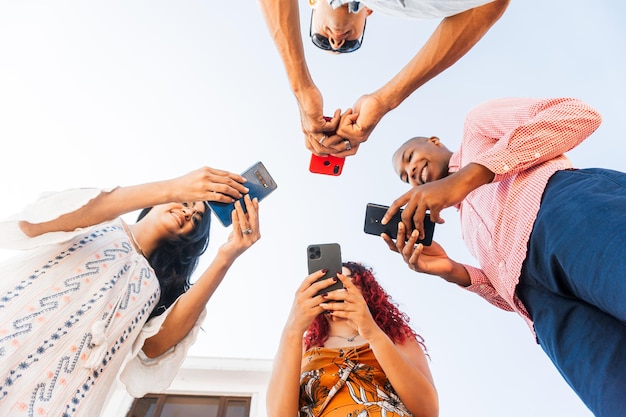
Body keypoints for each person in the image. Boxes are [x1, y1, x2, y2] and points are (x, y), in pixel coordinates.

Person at [382, 97, 626, 417]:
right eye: (405, 177)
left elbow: (578, 115)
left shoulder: (477, 128)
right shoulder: (466, 228)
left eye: (410, 157)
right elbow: (505, 291)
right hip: (542, 308)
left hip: (563, 212)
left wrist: (470, 175)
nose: (411, 171)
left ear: (434, 142)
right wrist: (453, 271)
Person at [0, 166, 262, 417]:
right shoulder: (101, 220)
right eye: (186, 203)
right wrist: (174, 187)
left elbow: (154, 347)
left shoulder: (152, 289)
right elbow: (34, 223)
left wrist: (227, 256)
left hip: (58, 402)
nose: (187, 213)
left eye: (195, 219)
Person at [257, 0, 509, 158]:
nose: (336, 41)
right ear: (369, 11)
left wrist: (301, 88)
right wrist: (385, 99)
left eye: (321, 39)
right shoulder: (406, 5)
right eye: (349, 44)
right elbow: (489, 4)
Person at [267, 261, 438, 417]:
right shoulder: (304, 347)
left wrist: (373, 333)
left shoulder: (394, 336)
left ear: (365, 289)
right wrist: (293, 330)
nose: (336, 287)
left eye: (345, 280)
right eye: (327, 281)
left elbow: (428, 411)